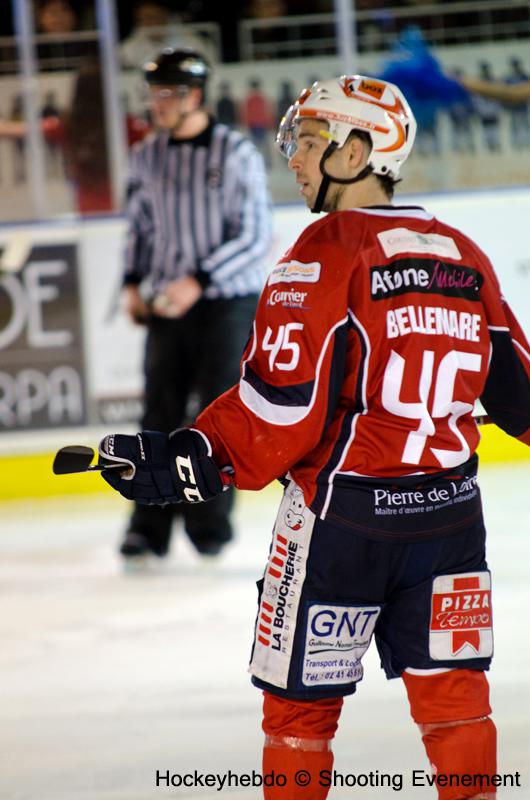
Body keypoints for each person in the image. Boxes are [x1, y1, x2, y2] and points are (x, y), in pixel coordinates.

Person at [98, 74, 530, 799]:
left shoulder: (325, 248)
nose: (292, 159)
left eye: (306, 141)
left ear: (359, 150)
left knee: (299, 712)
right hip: (452, 519)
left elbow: (282, 405)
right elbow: (518, 393)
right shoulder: (463, 254)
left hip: (342, 525)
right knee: (456, 702)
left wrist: (191, 457)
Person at [117, 48, 272, 562]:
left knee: (215, 415)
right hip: (168, 304)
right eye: (153, 93)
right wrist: (132, 282)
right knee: (158, 412)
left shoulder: (234, 154)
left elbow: (254, 236)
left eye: (168, 94)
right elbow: (138, 227)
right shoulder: (147, 156)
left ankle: (209, 524)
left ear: (195, 95)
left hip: (225, 302)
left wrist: (198, 281)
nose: (157, 104)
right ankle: (148, 526)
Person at [0, 62, 149, 214]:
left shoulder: (70, 126)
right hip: (121, 211)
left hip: (91, 213)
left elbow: (18, 130)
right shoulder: (123, 125)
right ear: (107, 91)